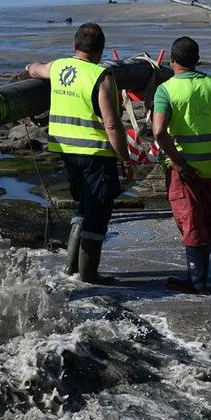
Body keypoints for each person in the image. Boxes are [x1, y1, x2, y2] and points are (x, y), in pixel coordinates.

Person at [26, 23, 134, 283]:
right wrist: (125, 158)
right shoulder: (101, 76)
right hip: (95, 153)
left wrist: (29, 68)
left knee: (82, 206)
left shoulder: (59, 66)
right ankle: (88, 275)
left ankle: (70, 269)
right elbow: (111, 124)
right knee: (97, 211)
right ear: (101, 50)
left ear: (74, 46)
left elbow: (35, 68)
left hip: (66, 150)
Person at [150, 34, 211, 294]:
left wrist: (176, 163)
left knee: (191, 222)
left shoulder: (166, 90)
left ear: (173, 60)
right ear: (197, 60)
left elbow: (158, 132)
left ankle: (198, 282)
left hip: (185, 170)